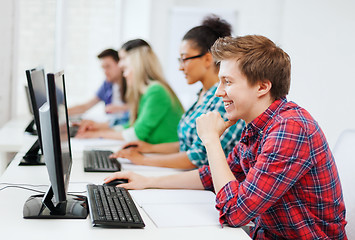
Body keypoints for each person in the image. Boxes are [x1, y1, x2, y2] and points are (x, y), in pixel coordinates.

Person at [104, 35, 347, 239]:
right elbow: (211, 176)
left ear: (262, 87)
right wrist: (147, 181)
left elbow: (235, 213)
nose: (219, 92)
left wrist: (211, 140)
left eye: (227, 82)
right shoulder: (258, 125)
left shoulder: (290, 129)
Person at [109, 15, 245, 170]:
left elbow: (196, 158)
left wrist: (143, 160)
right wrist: (149, 148)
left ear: (207, 59)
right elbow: (186, 144)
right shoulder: (202, 95)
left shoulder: (223, 100)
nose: (181, 67)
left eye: (184, 59)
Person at [76, 39, 184, 144]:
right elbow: (132, 126)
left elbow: (136, 134)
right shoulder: (147, 91)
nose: (120, 65)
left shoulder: (156, 91)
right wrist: (99, 129)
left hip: (164, 155)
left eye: (123, 61)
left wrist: (98, 134)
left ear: (137, 64)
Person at [68, 48, 129, 124]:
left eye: (108, 67)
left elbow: (142, 108)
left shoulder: (131, 82)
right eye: (103, 68)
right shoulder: (107, 85)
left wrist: (121, 108)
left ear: (119, 64)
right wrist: (63, 113)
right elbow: (85, 106)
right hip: (112, 125)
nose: (105, 72)